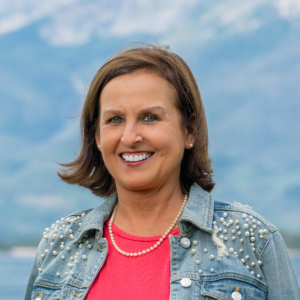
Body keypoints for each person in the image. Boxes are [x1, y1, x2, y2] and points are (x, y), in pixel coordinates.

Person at [25, 44, 300, 300]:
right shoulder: (58, 245)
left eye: (150, 117)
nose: (130, 137)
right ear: (97, 136)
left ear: (189, 130)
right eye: (115, 120)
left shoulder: (252, 241)